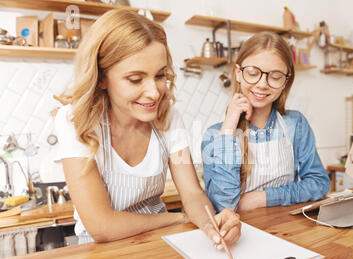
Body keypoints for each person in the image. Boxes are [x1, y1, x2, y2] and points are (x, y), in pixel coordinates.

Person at [53, 9, 241, 246]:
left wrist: (210, 223)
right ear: (101, 78)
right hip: (100, 252)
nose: (154, 92)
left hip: (159, 242)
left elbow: (192, 193)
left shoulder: (169, 117)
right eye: (135, 79)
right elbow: (102, 226)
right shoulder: (75, 121)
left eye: (160, 75)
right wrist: (177, 218)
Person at [201, 32, 330, 213]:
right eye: (253, 73)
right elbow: (224, 205)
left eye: (275, 77)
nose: (262, 84)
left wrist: (263, 198)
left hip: (285, 229)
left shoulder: (296, 124)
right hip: (238, 233)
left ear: (286, 81)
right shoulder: (216, 135)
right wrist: (229, 127)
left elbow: (319, 183)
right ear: (238, 73)